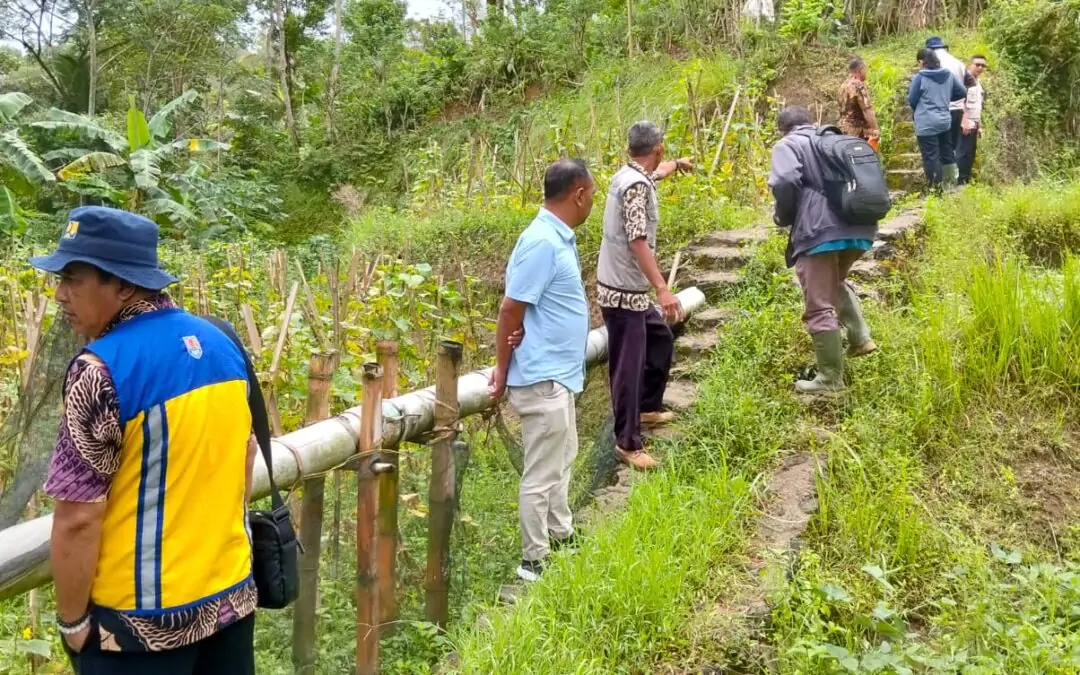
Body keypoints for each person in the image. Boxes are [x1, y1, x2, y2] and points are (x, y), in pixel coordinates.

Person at [31, 206, 258, 673]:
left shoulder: (99, 371)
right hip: (231, 601)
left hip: (138, 630)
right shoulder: (221, 341)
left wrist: (72, 622)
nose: (59, 294)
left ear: (122, 283)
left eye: (74, 278)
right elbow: (245, 451)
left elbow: (77, 519)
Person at [489, 159, 594, 582]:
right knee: (541, 473)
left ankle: (561, 533)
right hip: (542, 378)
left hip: (559, 374)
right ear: (579, 195)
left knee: (562, 457)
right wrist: (500, 367)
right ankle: (534, 560)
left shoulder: (557, 238)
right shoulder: (541, 243)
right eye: (592, 196)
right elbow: (511, 308)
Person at [597, 121, 692, 470]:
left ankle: (648, 408)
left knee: (661, 338)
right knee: (627, 366)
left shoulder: (630, 175)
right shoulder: (636, 186)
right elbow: (637, 239)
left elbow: (656, 175)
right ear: (658, 147)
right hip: (624, 292)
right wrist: (663, 288)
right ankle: (627, 442)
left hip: (626, 287)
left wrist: (677, 165)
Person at [769, 106, 879, 394]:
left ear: (783, 129)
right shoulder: (830, 138)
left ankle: (830, 379)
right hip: (859, 226)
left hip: (819, 231)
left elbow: (783, 181)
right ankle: (860, 337)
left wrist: (786, 215)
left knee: (818, 305)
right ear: (810, 122)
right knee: (833, 282)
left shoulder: (787, 145)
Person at [909, 48, 967, 191]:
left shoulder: (920, 77)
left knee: (931, 156)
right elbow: (962, 92)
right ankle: (951, 185)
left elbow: (912, 99)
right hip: (944, 121)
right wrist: (945, 98)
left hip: (926, 122)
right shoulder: (948, 74)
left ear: (922, 62)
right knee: (947, 152)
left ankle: (937, 189)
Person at [926, 36, 970, 186]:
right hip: (958, 110)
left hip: (940, 111)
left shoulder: (932, 65)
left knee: (939, 148)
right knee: (954, 148)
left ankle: (941, 183)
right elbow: (970, 84)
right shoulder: (958, 62)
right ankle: (954, 181)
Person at [957, 54, 988, 185]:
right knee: (962, 152)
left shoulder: (978, 83)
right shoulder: (964, 81)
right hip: (965, 122)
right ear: (970, 64)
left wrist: (979, 125)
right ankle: (958, 181)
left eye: (983, 65)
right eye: (977, 64)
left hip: (974, 122)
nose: (980, 67)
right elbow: (960, 102)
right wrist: (964, 121)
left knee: (970, 153)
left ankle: (965, 180)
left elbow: (977, 106)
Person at [837, 57, 880, 144]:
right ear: (860, 70)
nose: (866, 72)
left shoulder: (843, 86)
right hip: (857, 132)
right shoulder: (858, 85)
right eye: (865, 69)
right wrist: (875, 129)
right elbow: (867, 109)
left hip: (842, 130)